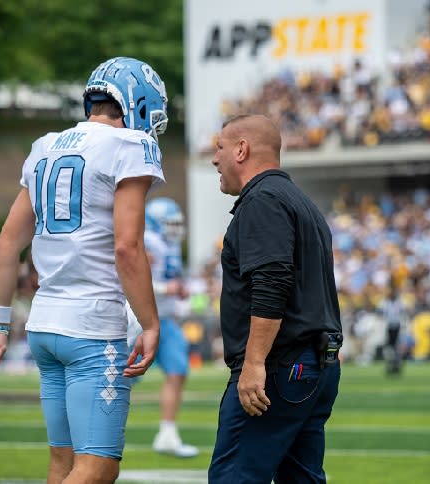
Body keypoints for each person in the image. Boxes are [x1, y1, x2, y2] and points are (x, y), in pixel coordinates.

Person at [0, 56, 167, 484]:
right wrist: (151, 324)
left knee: (63, 465)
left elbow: (7, 245)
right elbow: (127, 248)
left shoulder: (46, 145)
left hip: (45, 325)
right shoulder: (131, 146)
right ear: (136, 104)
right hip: (93, 326)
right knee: (97, 467)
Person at [208, 114, 343, 484]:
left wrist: (254, 363)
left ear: (241, 149)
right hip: (314, 364)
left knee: (234, 477)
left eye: (219, 148)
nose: (214, 159)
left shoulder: (263, 200)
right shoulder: (301, 202)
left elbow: (272, 282)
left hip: (282, 366)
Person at [144, 197, 199, 457]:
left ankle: (167, 434)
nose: (175, 228)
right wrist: (168, 288)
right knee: (120, 379)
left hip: (164, 319)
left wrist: (179, 289)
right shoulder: (147, 241)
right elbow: (131, 279)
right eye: (169, 222)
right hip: (139, 320)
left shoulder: (169, 244)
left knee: (178, 370)